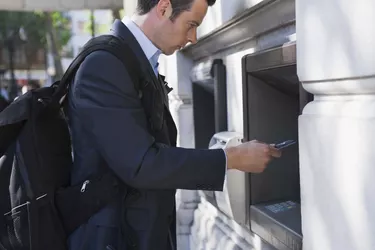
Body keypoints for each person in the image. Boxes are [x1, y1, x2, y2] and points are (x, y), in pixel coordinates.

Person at [66, 0, 281, 249]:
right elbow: (141, 164)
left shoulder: (134, 60)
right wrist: (230, 159)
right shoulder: (104, 65)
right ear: (164, 7)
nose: (193, 38)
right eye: (191, 25)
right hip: (112, 240)